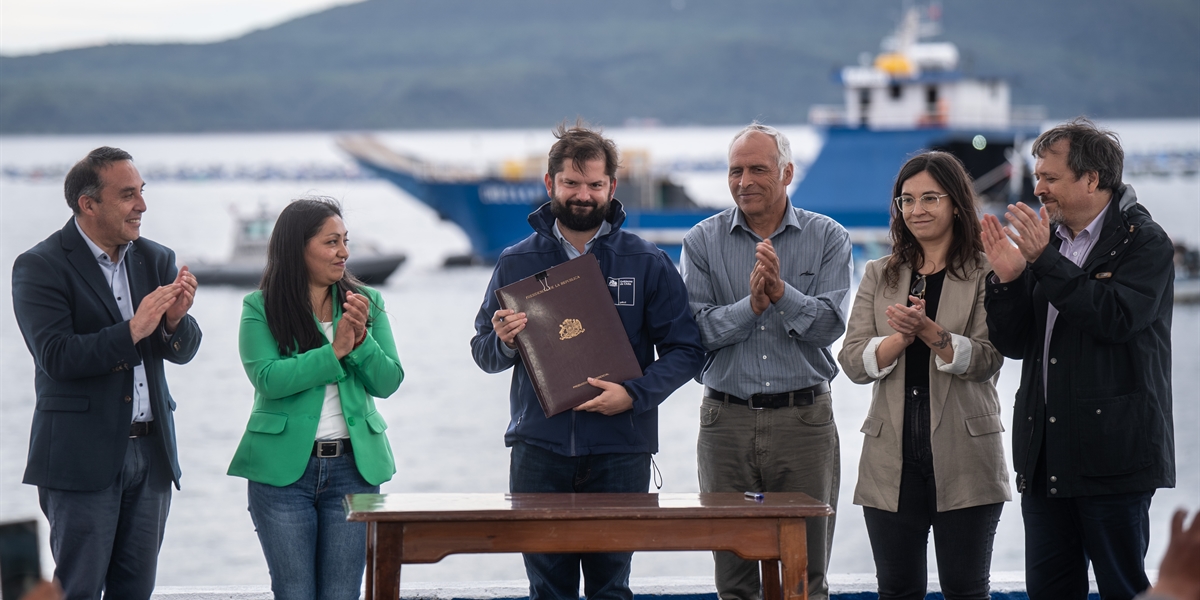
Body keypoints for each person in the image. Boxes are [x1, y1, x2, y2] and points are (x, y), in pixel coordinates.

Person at [470, 121, 706, 600]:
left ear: (612, 187)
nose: (583, 195)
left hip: (621, 453)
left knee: (611, 590)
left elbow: (688, 351)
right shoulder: (516, 262)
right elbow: (483, 352)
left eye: (595, 185)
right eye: (572, 183)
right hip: (538, 451)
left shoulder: (646, 260)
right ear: (550, 184)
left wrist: (633, 396)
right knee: (547, 591)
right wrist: (505, 342)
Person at [982, 117, 1175, 600]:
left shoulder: (1144, 242)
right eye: (1038, 176)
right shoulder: (1046, 241)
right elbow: (1017, 344)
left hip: (1115, 456)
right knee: (1049, 591)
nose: (1038, 187)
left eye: (1050, 177)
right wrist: (1006, 282)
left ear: (1091, 179)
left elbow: (1114, 319)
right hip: (1047, 452)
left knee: (1122, 588)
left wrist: (1044, 261)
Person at [11, 146, 202, 599]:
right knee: (78, 589)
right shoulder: (39, 265)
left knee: (136, 592)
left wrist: (175, 321)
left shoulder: (155, 258)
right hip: (81, 459)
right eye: (127, 195)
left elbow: (184, 350)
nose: (142, 205)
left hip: (152, 455)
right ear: (88, 203)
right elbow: (56, 357)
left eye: (141, 193)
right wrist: (133, 329)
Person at [680, 123, 851, 600]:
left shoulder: (829, 237)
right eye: (735, 170)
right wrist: (751, 307)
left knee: (806, 577)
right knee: (733, 580)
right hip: (725, 420)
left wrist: (781, 293)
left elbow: (829, 326)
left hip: (804, 421)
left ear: (788, 172)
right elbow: (695, 332)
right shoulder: (701, 241)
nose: (744, 181)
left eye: (758, 168)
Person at [837, 152, 1010, 600]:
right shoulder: (880, 273)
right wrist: (899, 340)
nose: (917, 210)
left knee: (966, 590)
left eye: (930, 198)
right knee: (896, 590)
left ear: (956, 203)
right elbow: (853, 361)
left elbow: (991, 358)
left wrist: (931, 333)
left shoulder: (986, 270)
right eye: (907, 200)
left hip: (967, 454)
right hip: (889, 459)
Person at [227, 197, 404, 600]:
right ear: (297, 248)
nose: (343, 252)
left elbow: (388, 381)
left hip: (354, 469)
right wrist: (334, 351)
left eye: (345, 241)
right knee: (294, 592)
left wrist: (359, 343)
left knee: (342, 593)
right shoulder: (260, 306)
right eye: (331, 242)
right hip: (282, 475)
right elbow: (267, 379)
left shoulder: (367, 302)